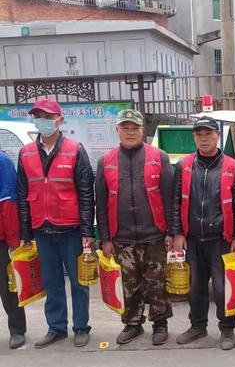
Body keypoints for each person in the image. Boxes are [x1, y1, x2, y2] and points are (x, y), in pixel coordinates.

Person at [17, 98, 95, 349]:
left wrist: (87, 231)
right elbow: (22, 194)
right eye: (39, 116)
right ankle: (56, 327)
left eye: (48, 117)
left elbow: (86, 192)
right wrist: (26, 231)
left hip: (71, 229)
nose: (44, 122)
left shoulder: (75, 149)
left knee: (79, 282)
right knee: (51, 283)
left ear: (60, 120)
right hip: (42, 229)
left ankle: (81, 327)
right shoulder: (26, 153)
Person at [96, 109, 174, 346]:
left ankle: (160, 323)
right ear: (118, 130)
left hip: (155, 235)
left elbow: (170, 198)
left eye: (135, 128)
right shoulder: (105, 161)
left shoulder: (159, 157)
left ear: (143, 130)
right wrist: (106, 238)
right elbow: (101, 201)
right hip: (122, 236)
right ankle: (133, 323)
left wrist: (172, 231)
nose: (130, 132)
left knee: (156, 282)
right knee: (130, 283)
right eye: (125, 128)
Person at [171, 116, 235, 350]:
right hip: (192, 238)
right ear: (194, 137)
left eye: (209, 134)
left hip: (221, 240)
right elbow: (175, 201)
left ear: (217, 136)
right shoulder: (184, 165)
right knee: (196, 287)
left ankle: (227, 329)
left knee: (224, 289)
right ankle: (197, 326)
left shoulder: (233, 167)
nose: (204, 138)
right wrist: (177, 233)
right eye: (199, 134)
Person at [0, 150, 27, 349]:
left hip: (2, 239)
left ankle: (17, 330)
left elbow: (8, 201)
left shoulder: (2, 162)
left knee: (8, 287)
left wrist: (13, 241)